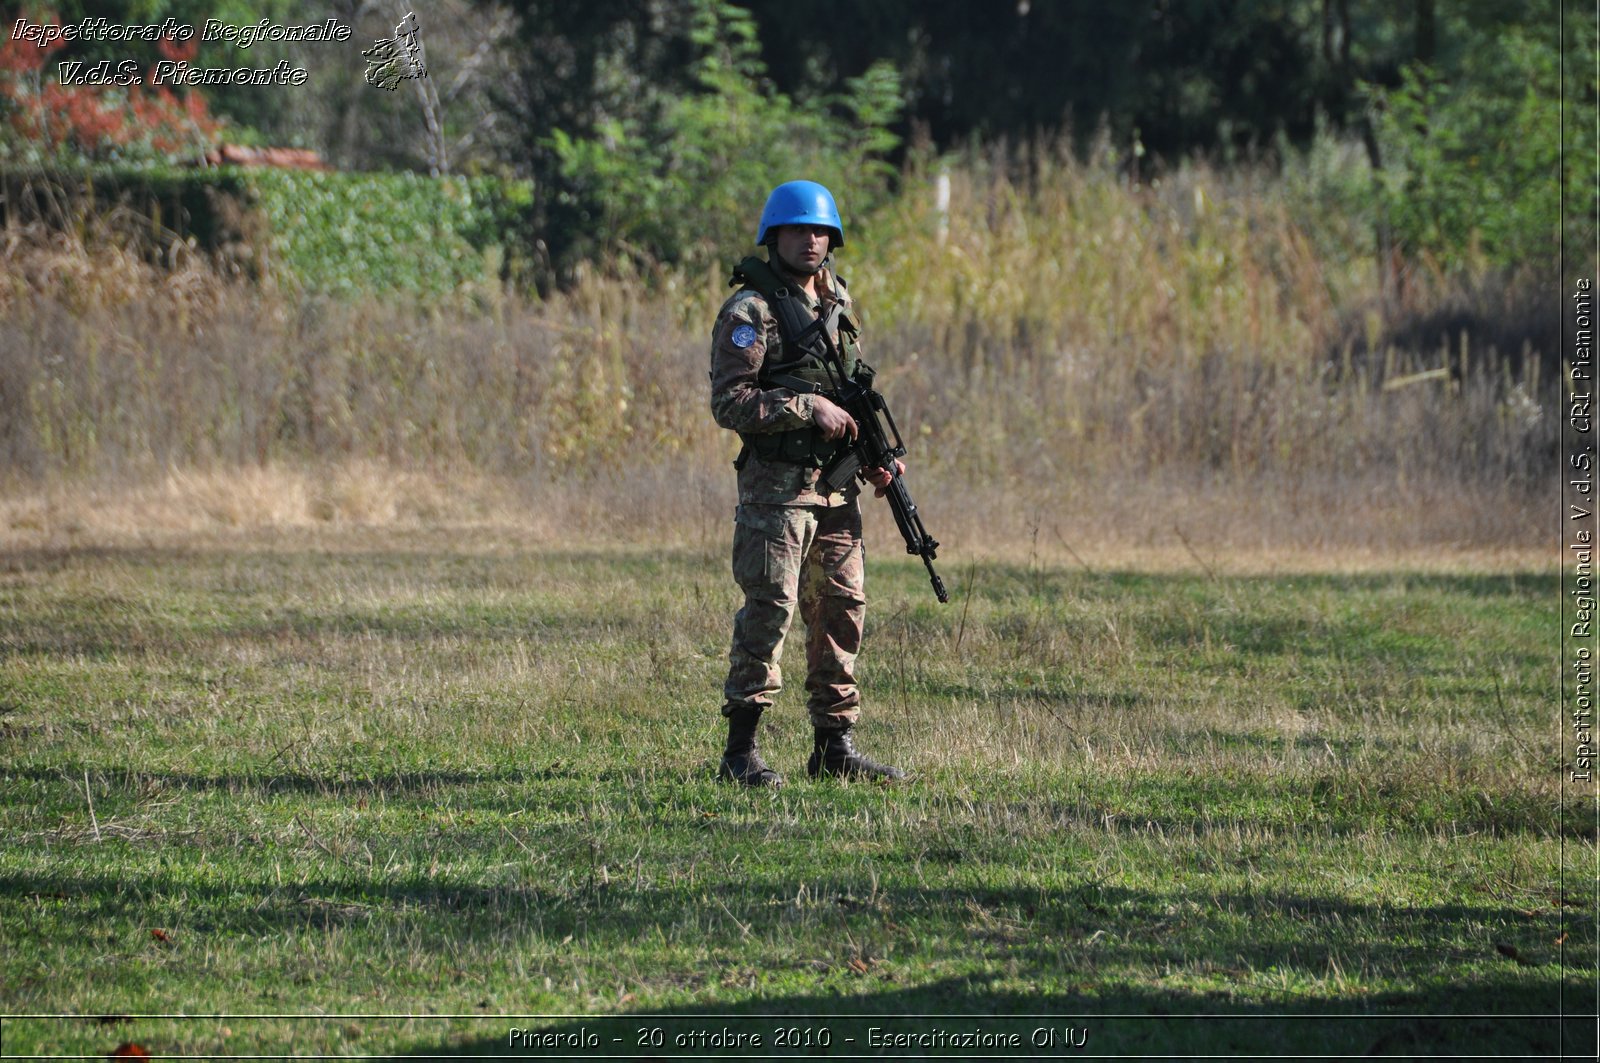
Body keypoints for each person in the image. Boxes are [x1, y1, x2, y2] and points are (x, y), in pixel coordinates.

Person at [708, 179, 907, 788]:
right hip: (777, 490)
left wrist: (873, 453)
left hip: (836, 490)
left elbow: (846, 389)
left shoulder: (837, 306)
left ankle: (834, 746)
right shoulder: (750, 312)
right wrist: (805, 410)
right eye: (797, 230)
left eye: (820, 231)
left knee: (841, 610)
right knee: (771, 611)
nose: (810, 240)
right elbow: (730, 402)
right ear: (775, 237)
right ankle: (741, 751)